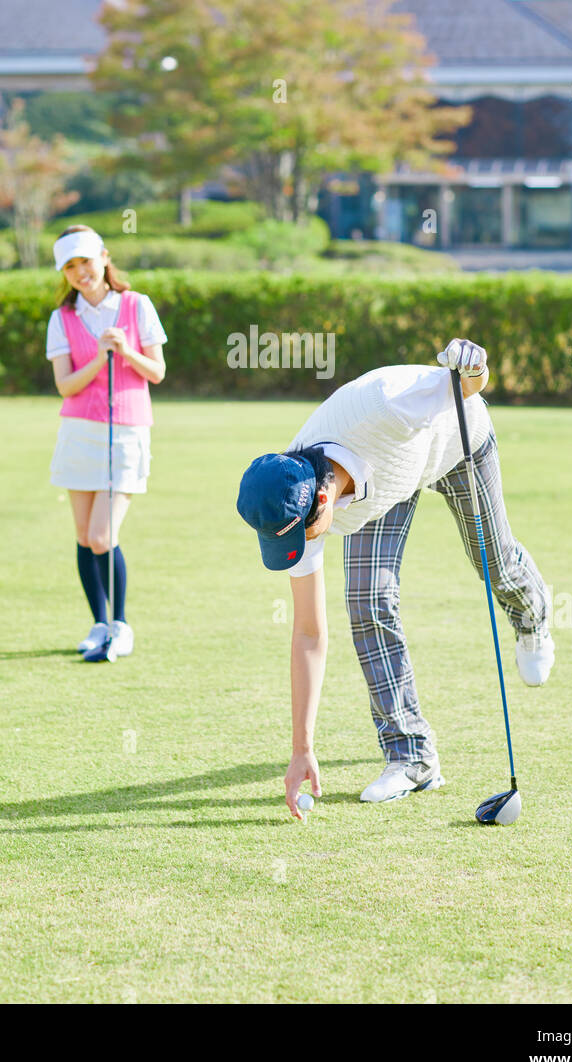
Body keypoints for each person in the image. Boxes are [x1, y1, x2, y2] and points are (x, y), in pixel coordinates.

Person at [236, 339, 553, 817]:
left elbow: (467, 386)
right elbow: (308, 633)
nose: (297, 551)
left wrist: (476, 363)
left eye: (298, 539)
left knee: (495, 562)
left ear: (320, 504)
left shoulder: (384, 402)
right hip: (388, 484)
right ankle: (412, 757)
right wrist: (301, 746)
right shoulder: (287, 497)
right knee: (367, 600)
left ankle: (533, 616)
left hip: (454, 444)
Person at [46, 224, 167, 661]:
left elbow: (156, 372)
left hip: (128, 432)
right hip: (80, 432)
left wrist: (125, 352)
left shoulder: (137, 305)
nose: (81, 272)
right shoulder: (63, 317)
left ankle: (122, 625)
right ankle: (98, 624)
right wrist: (99, 359)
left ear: (104, 257)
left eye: (86, 261)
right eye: (71, 266)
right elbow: (65, 385)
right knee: (83, 535)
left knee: (103, 534)